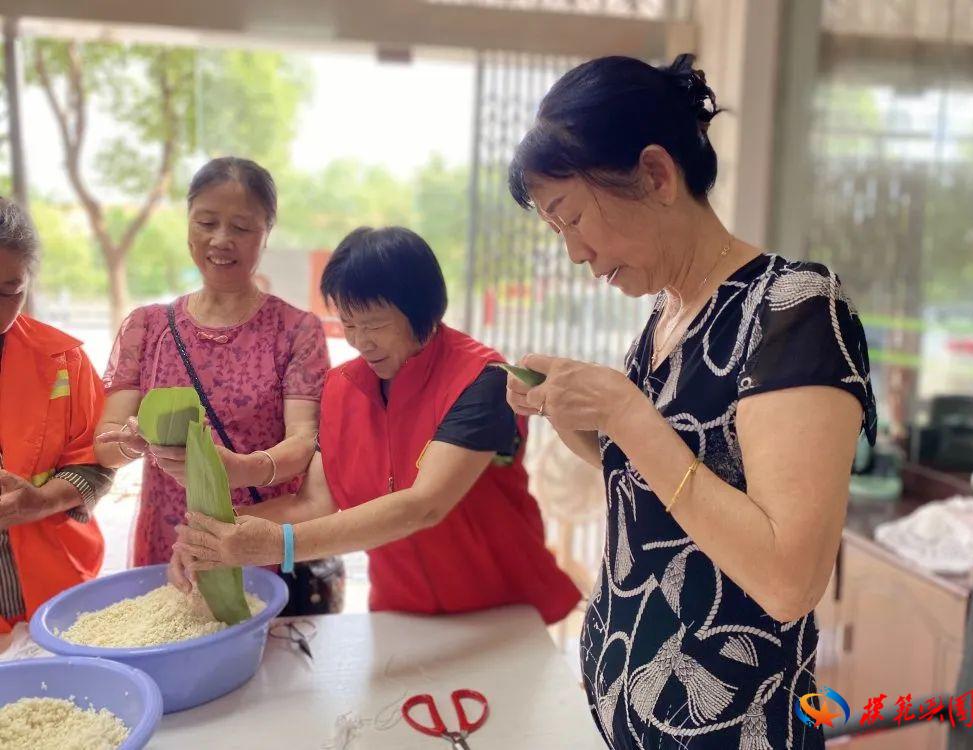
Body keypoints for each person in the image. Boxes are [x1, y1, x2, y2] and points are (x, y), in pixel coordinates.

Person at [504, 55, 877, 749]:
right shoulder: (666, 320)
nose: (576, 254)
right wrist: (571, 410)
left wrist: (623, 412)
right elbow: (659, 485)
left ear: (655, 174)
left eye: (574, 217)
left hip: (734, 728)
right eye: (558, 233)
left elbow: (788, 579)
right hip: (630, 711)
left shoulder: (792, 308)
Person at [172, 227, 580, 625]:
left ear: (422, 311)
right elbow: (312, 503)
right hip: (399, 611)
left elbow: (424, 505)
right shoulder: (341, 388)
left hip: (499, 612)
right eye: (348, 324)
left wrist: (282, 545)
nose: (360, 341)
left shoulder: (480, 379)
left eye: (374, 323)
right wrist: (213, 536)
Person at [95, 157, 330, 568]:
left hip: (256, 539)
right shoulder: (146, 327)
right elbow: (104, 446)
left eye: (241, 227)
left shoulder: (296, 330)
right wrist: (131, 441)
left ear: (266, 233)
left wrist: (240, 470)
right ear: (187, 224)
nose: (221, 239)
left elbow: (305, 440)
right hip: (169, 539)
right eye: (206, 223)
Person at [0, 198, 113, 633]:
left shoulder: (63, 360)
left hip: (59, 585)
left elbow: (96, 460)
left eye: (10, 291)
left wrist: (41, 502)